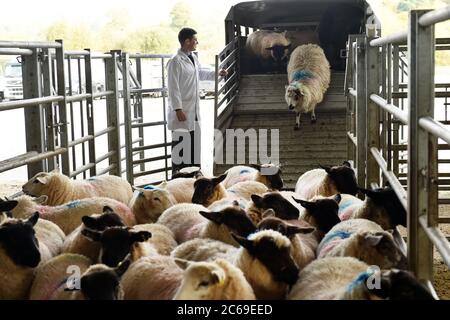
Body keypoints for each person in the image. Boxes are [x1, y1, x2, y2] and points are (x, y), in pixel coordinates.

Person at [167, 27, 227, 174]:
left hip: (193, 110)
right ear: (187, 41)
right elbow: (173, 88)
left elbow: (201, 73)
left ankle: (193, 175)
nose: (197, 42)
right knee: (181, 147)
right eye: (195, 40)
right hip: (182, 111)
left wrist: (217, 73)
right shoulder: (175, 62)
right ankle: (178, 178)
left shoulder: (193, 57)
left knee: (194, 145)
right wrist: (178, 109)